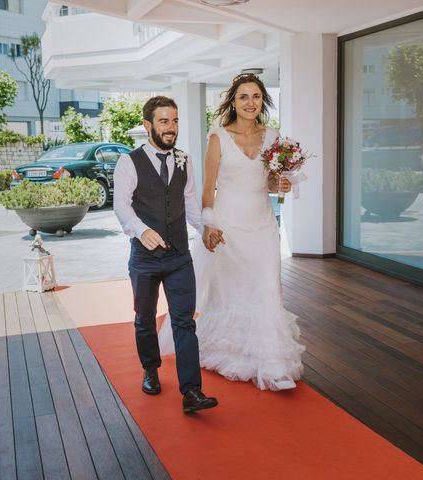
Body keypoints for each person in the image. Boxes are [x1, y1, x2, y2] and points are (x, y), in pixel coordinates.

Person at [159, 73, 305, 390]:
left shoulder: (273, 137)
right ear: (234, 102)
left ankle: (274, 368)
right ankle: (230, 353)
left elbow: (267, 182)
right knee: (232, 294)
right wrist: (208, 223)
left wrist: (280, 183)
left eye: (255, 96)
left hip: (263, 226)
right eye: (243, 97)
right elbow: (207, 189)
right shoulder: (219, 137)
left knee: (268, 290)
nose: (250, 102)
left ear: (263, 100)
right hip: (228, 227)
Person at [113, 96, 221, 413]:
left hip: (178, 257)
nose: (171, 128)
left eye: (174, 121)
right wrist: (138, 228)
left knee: (184, 322)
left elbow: (189, 205)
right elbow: (121, 204)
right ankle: (150, 368)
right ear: (148, 125)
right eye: (164, 121)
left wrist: (205, 227)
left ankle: (192, 392)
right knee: (145, 319)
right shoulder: (128, 162)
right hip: (144, 259)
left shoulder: (185, 160)